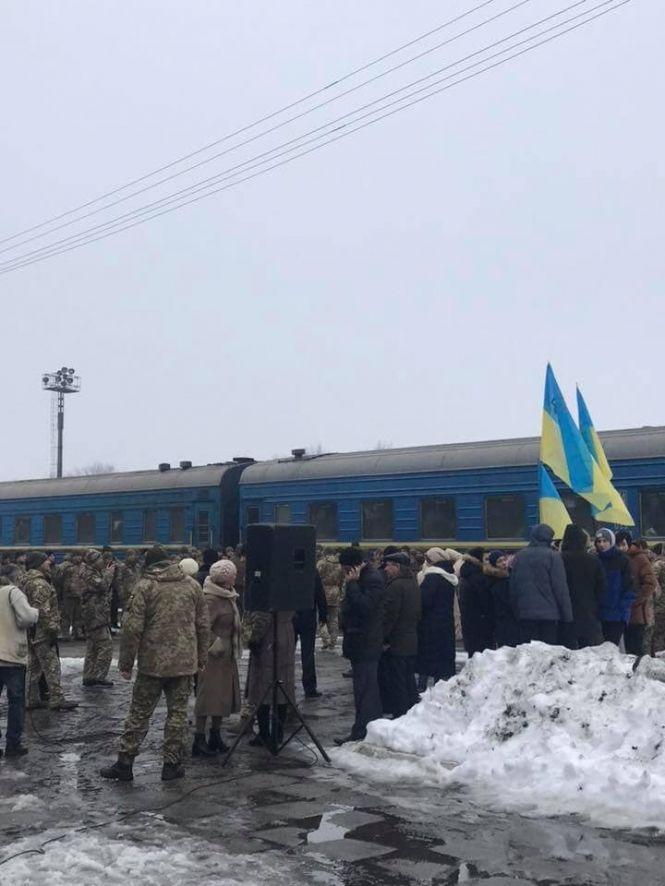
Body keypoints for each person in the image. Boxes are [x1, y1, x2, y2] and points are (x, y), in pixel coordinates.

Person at [100, 546, 210, 782]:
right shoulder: (192, 586)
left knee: (139, 713)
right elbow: (203, 624)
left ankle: (125, 763)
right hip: (184, 663)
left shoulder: (145, 587)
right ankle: (172, 765)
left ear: (148, 565)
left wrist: (126, 663)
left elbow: (132, 629)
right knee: (177, 715)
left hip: (153, 663)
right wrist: (202, 657)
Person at [335, 547, 384, 745]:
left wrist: (353, 585)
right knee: (362, 688)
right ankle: (361, 728)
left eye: (345, 568)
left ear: (353, 566)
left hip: (366, 641)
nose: (343, 572)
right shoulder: (364, 576)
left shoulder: (371, 578)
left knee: (366, 689)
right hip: (360, 641)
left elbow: (365, 607)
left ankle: (363, 730)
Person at [193, 559, 242, 756]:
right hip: (213, 656)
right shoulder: (212, 599)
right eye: (233, 574)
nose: (236, 577)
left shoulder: (228, 595)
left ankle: (215, 736)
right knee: (207, 698)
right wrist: (216, 643)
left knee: (221, 698)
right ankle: (199, 739)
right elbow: (201, 626)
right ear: (224, 577)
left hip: (226, 656)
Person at [23, 552, 78, 711]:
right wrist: (53, 631)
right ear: (38, 564)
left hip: (32, 631)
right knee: (52, 666)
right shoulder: (40, 584)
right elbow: (44, 612)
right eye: (46, 562)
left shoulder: (27, 581)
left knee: (34, 667)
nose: (49, 563)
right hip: (43, 633)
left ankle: (31, 699)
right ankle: (57, 698)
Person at [509, 524, 573, 644]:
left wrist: (517, 611)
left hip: (525, 614)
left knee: (528, 654)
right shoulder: (553, 556)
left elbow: (513, 587)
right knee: (546, 654)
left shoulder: (519, 556)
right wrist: (567, 616)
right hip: (549, 616)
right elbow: (560, 589)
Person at [243, 607, 296, 748]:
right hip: (287, 632)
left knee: (263, 685)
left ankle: (264, 734)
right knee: (283, 684)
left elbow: (262, 616)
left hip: (269, 637)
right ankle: (278, 733)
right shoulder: (293, 587)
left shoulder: (265, 586)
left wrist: (253, 638)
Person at [0, 575, 38, 756]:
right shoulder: (13, 592)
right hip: (11, 657)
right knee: (16, 702)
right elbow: (26, 618)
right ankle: (13, 744)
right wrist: (36, 612)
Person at [378, 552, 420, 717]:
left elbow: (389, 616)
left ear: (397, 567)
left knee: (398, 681)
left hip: (397, 641)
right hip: (410, 639)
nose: (386, 569)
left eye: (388, 565)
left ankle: (400, 713)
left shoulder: (395, 587)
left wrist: (383, 638)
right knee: (409, 679)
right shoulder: (412, 583)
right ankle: (410, 711)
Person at [415, 547, 457, 691]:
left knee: (427, 659)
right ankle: (442, 688)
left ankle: (422, 688)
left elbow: (423, 601)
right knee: (443, 661)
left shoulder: (432, 577)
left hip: (430, 626)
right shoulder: (448, 577)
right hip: (445, 623)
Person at [559, 524, 605, 649]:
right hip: (588, 612)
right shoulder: (593, 561)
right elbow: (601, 587)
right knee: (587, 654)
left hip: (564, 613)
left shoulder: (559, 559)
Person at [616, 530, 658, 656]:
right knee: (627, 649)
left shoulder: (640, 558)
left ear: (629, 543)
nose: (621, 547)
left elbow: (650, 583)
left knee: (636, 648)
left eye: (623, 544)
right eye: (618, 544)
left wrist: (635, 600)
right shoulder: (617, 559)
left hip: (637, 614)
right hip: (622, 613)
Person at [594, 528, 635, 646]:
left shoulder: (622, 560)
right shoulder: (595, 560)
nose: (601, 544)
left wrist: (623, 609)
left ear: (611, 541)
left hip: (617, 614)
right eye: (599, 541)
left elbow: (629, 587)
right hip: (600, 614)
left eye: (605, 541)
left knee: (612, 648)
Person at [80, 549, 114, 687]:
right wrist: (109, 573)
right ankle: (99, 676)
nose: (103, 561)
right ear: (93, 562)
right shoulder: (89, 574)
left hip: (95, 615)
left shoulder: (91, 572)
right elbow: (103, 586)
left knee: (92, 647)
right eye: (100, 559)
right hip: (95, 616)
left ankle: (89, 675)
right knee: (106, 646)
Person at [293, 570, 328, 699]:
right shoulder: (311, 571)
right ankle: (310, 687)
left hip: (290, 615)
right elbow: (319, 592)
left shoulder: (286, 567)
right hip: (308, 614)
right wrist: (323, 614)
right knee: (308, 653)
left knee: (287, 654)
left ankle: (287, 682)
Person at [458, 548, 495, 655]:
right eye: (486, 559)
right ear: (479, 559)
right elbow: (485, 600)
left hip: (469, 619)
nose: (489, 561)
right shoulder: (479, 576)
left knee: (473, 652)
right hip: (481, 620)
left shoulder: (467, 572)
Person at [486, 550, 520, 648]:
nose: (504, 563)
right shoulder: (496, 581)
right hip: (504, 621)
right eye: (499, 561)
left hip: (512, 620)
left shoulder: (512, 575)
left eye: (504, 559)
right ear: (494, 564)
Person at [317, 550, 344, 651]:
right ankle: (333, 641)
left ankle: (325, 639)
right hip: (335, 592)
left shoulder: (322, 563)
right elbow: (342, 580)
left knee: (322, 617)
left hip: (323, 592)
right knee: (334, 619)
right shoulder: (340, 565)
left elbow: (316, 576)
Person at [59, 553, 84, 641]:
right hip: (69, 595)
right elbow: (64, 582)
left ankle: (77, 632)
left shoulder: (82, 567)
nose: (79, 557)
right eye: (77, 556)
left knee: (79, 615)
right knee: (67, 615)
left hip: (79, 595)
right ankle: (65, 634)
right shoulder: (67, 568)